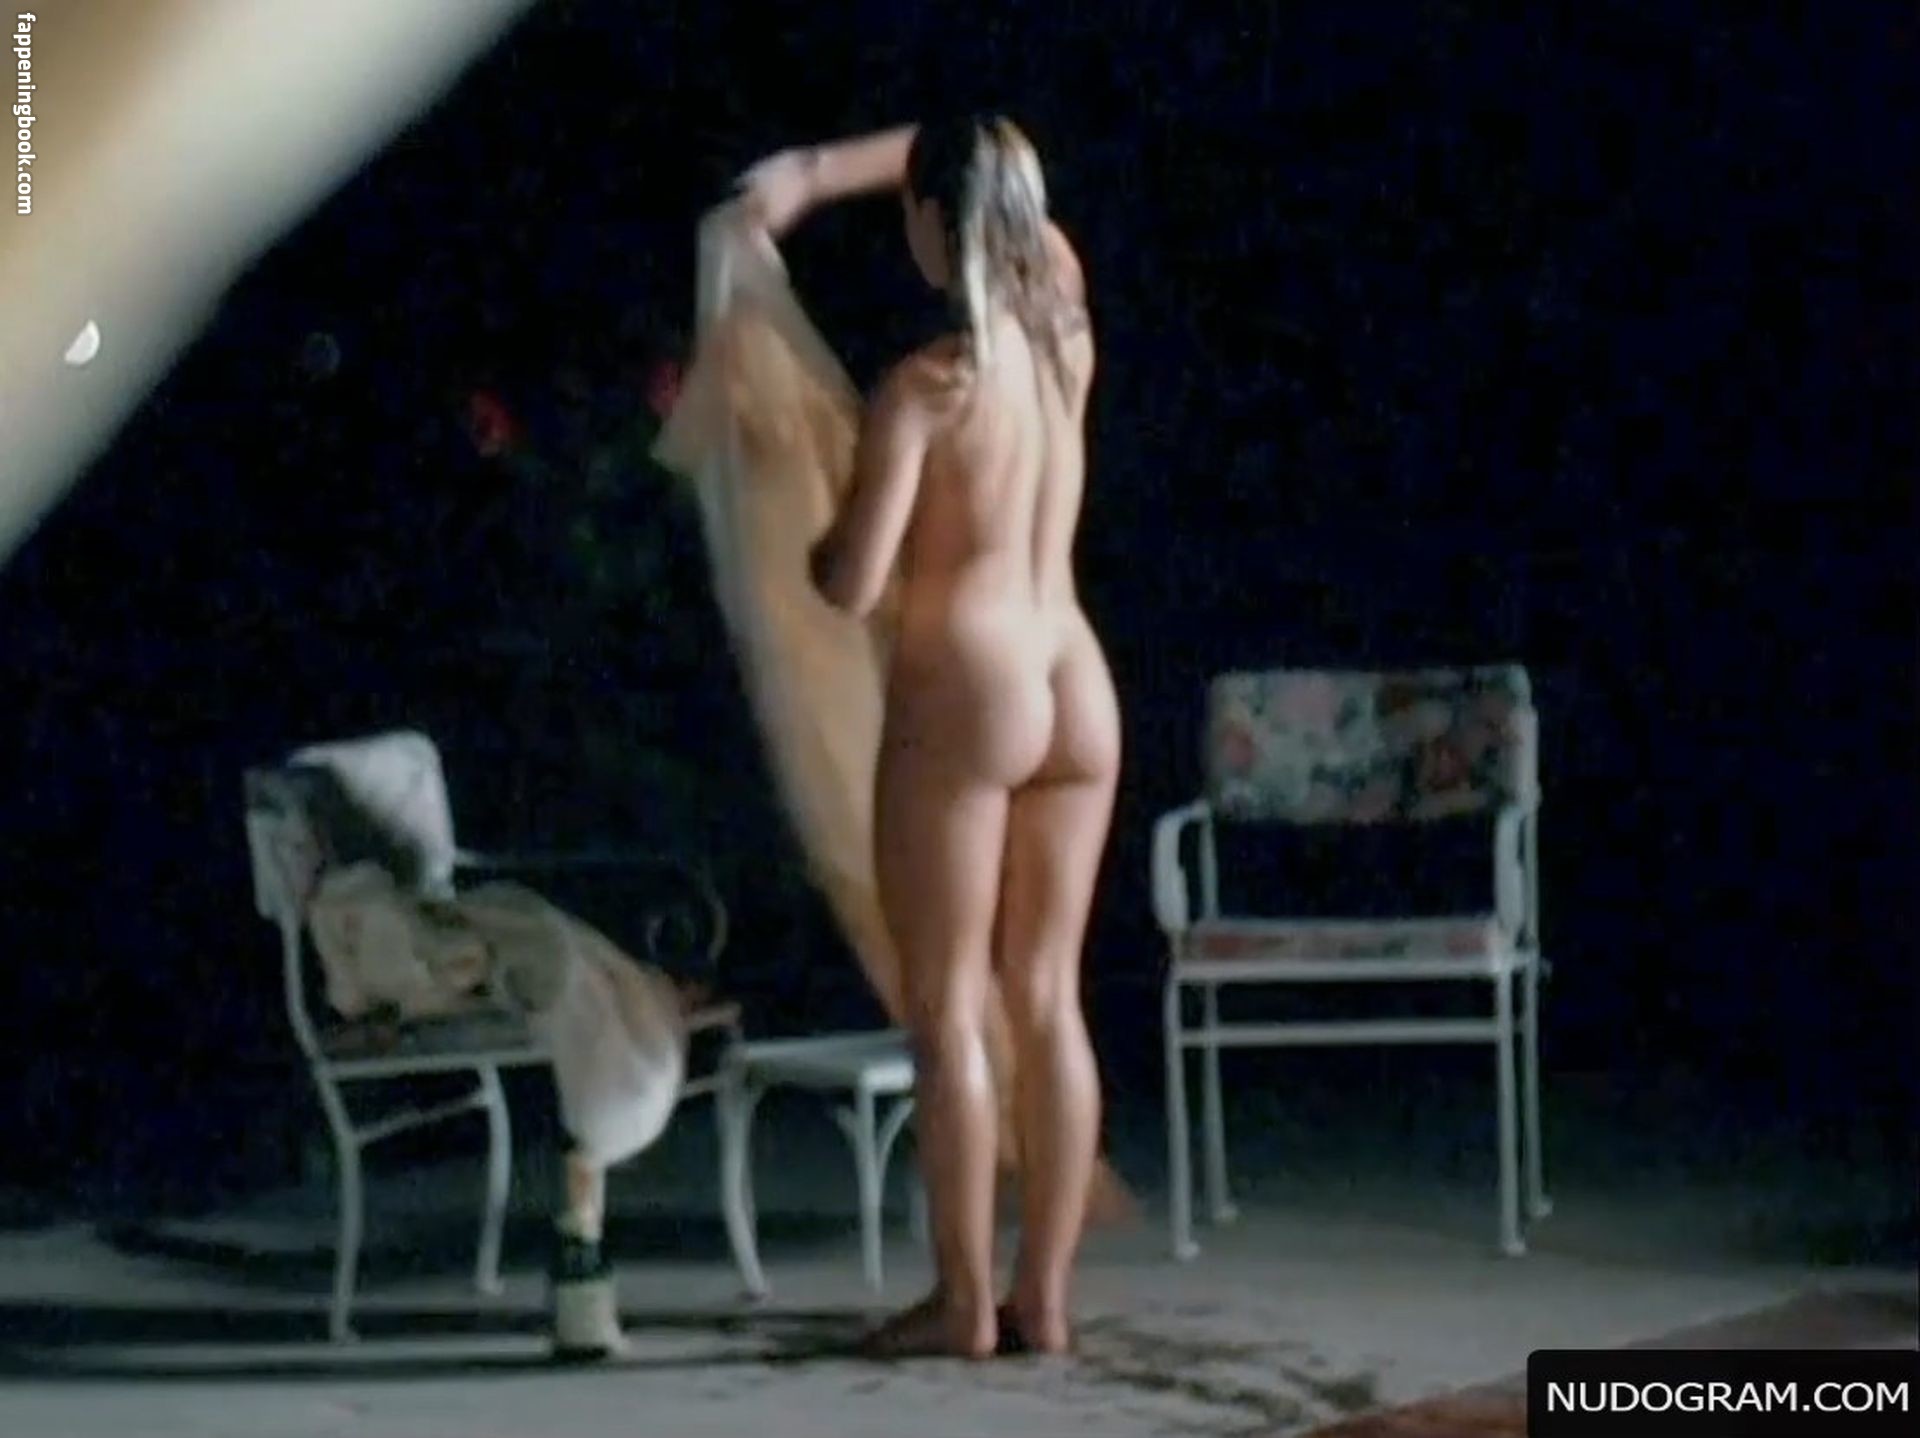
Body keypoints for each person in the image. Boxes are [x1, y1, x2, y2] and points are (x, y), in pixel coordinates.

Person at [737, 115, 1119, 1359]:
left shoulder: (924, 389)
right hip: (1074, 673)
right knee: (1049, 996)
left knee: (949, 1002)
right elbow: (990, 156)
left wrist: (802, 506)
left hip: (969, 682)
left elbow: (851, 583)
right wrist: (816, 174)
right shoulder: (1067, 327)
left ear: (930, 224)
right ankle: (1044, 1299)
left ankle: (962, 1305)